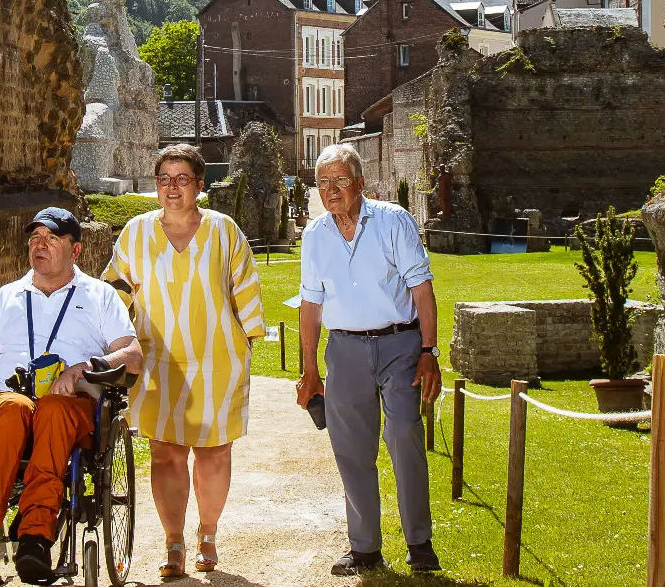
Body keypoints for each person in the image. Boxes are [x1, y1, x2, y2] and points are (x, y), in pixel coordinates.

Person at [0, 207, 143, 586]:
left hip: (69, 404)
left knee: (52, 411)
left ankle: (35, 536)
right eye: (35, 238)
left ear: (76, 250)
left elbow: (132, 355)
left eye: (52, 239)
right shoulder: (6, 297)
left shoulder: (99, 296)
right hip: (9, 399)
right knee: (13, 409)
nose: (40, 245)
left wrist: (84, 367)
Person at [102, 144, 265, 578]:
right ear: (156, 185)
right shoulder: (135, 233)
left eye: (182, 179)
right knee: (166, 454)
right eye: (164, 179)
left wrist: (247, 343)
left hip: (217, 360)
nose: (172, 188)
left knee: (213, 452)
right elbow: (114, 294)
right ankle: (173, 542)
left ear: (199, 184)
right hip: (157, 362)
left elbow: (246, 289)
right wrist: (112, 344)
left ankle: (207, 533)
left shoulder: (224, 231)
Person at [295, 144, 443, 575]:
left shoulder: (393, 220)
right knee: (351, 450)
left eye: (341, 180)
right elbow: (310, 305)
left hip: (400, 345)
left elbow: (421, 288)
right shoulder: (315, 235)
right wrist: (310, 370)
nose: (332, 190)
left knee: (403, 435)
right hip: (344, 351)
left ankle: (420, 543)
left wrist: (429, 352)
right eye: (323, 182)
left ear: (360, 183)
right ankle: (365, 548)